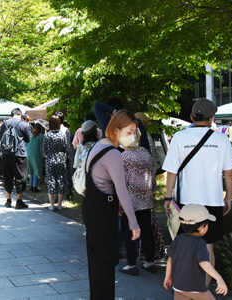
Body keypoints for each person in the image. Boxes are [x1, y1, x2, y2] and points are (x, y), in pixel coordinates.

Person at [163, 99, 232, 286]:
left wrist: (168, 198)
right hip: (212, 201)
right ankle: (203, 289)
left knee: (183, 244)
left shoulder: (179, 137)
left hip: (185, 201)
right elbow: (229, 173)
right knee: (208, 246)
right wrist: (228, 197)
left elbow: (171, 171)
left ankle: (183, 285)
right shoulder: (222, 139)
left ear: (191, 117)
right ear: (212, 118)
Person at [83, 109, 140, 300]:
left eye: (134, 132)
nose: (133, 136)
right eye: (129, 132)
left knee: (97, 262)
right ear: (116, 130)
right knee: (105, 264)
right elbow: (122, 190)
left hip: (92, 208)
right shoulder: (113, 154)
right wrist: (134, 223)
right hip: (102, 214)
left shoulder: (99, 145)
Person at [164, 204, 228, 299]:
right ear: (201, 226)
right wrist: (219, 278)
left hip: (178, 286)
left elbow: (170, 259)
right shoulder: (200, 242)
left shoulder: (178, 239)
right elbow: (204, 263)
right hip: (195, 287)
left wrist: (168, 276)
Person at [118, 128, 157, 276]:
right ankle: (150, 261)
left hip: (129, 200)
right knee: (147, 230)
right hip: (145, 198)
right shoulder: (146, 153)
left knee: (128, 231)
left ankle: (131, 264)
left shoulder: (124, 156)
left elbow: (122, 181)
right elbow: (152, 177)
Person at [0, 108, 31, 209]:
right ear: (20, 115)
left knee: (7, 176)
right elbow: (28, 139)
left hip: (6, 153)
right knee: (21, 177)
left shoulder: (4, 124)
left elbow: (1, 138)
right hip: (19, 154)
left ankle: (8, 201)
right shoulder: (23, 124)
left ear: (11, 114)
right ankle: (19, 201)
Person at [43, 116, 68, 210]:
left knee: (51, 181)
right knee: (61, 180)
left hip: (50, 159)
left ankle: (52, 205)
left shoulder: (47, 135)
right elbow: (66, 148)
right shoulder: (62, 135)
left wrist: (48, 155)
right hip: (61, 159)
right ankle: (59, 204)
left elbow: (44, 150)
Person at [54, 111, 74, 200]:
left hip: (63, 157)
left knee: (63, 177)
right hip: (57, 157)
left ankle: (66, 194)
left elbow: (68, 146)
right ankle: (60, 196)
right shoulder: (54, 130)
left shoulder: (65, 130)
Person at [26, 123, 44, 192]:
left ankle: (31, 186)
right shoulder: (41, 136)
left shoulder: (29, 135)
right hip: (36, 155)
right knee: (36, 170)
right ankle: (34, 187)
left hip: (28, 154)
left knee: (31, 171)